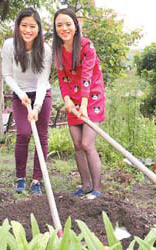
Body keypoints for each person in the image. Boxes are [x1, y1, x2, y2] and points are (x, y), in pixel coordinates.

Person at [52, 8, 105, 199]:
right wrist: (67, 101)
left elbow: (87, 77)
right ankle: (85, 185)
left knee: (87, 143)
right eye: (59, 25)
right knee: (76, 144)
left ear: (75, 26)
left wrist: (83, 105)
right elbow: (62, 78)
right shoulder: (57, 50)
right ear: (55, 28)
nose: (64, 28)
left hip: (91, 97)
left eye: (68, 24)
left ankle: (97, 189)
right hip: (73, 100)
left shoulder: (86, 47)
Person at [1, 8, 52, 195]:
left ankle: (37, 180)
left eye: (32, 26)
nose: (28, 30)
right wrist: (21, 94)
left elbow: (42, 80)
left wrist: (37, 107)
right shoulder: (9, 45)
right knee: (23, 133)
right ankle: (20, 178)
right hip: (19, 94)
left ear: (38, 28)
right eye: (24, 25)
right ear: (18, 26)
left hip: (41, 94)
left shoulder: (44, 50)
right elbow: (7, 74)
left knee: (42, 135)